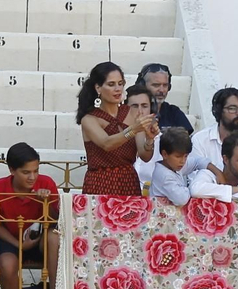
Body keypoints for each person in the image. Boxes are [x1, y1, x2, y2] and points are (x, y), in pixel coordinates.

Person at [0, 143, 60, 289]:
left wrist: (46, 204)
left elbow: (56, 221)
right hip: (11, 237)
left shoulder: (47, 184)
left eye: (36, 171)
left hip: (40, 238)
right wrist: (19, 244)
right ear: (12, 170)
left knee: (54, 239)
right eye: (26, 172)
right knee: (7, 264)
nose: (32, 177)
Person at [77, 62, 153, 197]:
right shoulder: (89, 119)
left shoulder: (132, 112)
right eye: (111, 84)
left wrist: (150, 140)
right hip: (100, 183)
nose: (118, 89)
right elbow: (107, 143)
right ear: (98, 88)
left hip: (128, 181)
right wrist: (133, 129)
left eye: (120, 83)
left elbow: (144, 155)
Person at [124, 83, 163, 186]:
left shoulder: (162, 141)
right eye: (135, 106)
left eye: (144, 106)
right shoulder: (119, 138)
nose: (140, 112)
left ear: (152, 109)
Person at [136, 63, 192, 131]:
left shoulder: (174, 112)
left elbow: (185, 137)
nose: (162, 90)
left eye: (165, 85)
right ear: (142, 85)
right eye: (156, 85)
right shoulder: (131, 111)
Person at [150, 128, 193, 206]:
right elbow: (182, 199)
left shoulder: (173, 165)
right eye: (178, 156)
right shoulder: (165, 176)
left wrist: (211, 167)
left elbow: (196, 162)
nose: (183, 161)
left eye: (186, 156)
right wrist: (193, 187)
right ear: (165, 154)